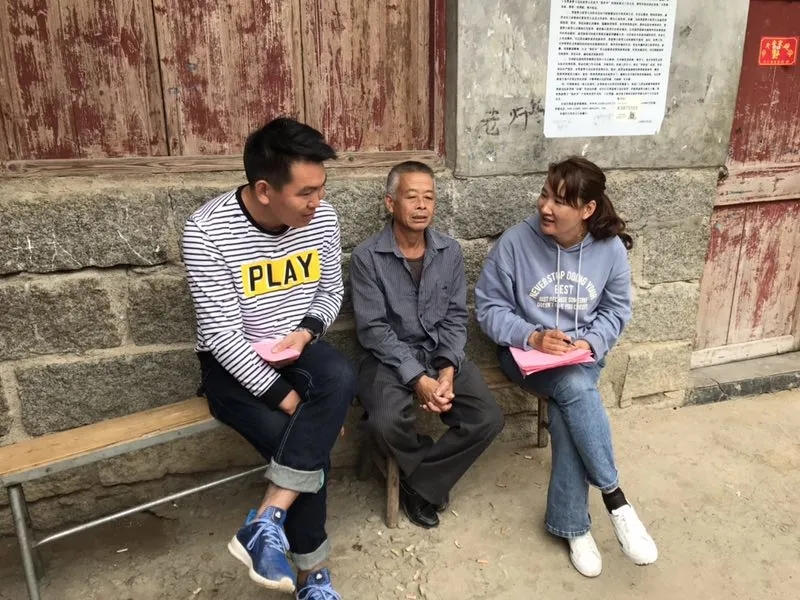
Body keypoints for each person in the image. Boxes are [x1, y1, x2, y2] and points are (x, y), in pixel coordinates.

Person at [182, 117, 355, 599]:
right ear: (264, 190)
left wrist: (307, 331)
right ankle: (313, 575)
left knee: (341, 374)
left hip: (294, 347)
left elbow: (330, 291)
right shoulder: (206, 231)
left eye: (321, 188)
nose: (317, 202)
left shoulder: (323, 219)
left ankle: (265, 520)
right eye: (305, 193)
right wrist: (293, 403)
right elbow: (222, 338)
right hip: (230, 365)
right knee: (301, 440)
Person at [474, 156, 658, 577]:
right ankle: (615, 499)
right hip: (524, 356)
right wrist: (532, 336)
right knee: (574, 389)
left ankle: (573, 527)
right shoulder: (516, 243)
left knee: (568, 402)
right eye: (544, 195)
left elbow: (615, 310)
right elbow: (488, 308)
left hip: (582, 355)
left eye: (560, 201)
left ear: (587, 209)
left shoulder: (609, 249)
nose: (546, 207)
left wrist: (588, 342)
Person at [350, 161, 505, 529]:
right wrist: (418, 378)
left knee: (488, 418)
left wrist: (447, 369)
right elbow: (373, 330)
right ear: (391, 203)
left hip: (439, 352)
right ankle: (427, 474)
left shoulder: (449, 251)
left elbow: (455, 317)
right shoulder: (367, 257)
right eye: (412, 197)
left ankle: (419, 482)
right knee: (384, 423)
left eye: (429, 198)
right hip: (388, 358)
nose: (422, 206)